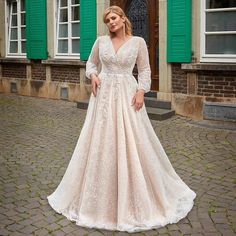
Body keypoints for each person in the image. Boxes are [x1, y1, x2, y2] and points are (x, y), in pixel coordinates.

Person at [47, 6, 196, 233]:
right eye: (107, 20)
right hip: (104, 97)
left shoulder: (138, 42)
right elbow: (90, 63)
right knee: (100, 141)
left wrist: (141, 91)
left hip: (128, 94)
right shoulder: (101, 42)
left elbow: (144, 71)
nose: (111, 23)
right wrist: (93, 75)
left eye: (114, 18)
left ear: (123, 18)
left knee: (133, 140)